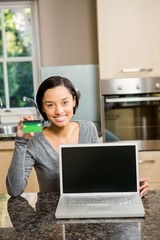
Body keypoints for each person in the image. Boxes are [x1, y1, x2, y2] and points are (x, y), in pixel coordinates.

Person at [6, 76, 149, 197]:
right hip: (50, 217)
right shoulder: (34, 140)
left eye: (65, 102)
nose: (59, 111)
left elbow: (99, 174)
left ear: (74, 101)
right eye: (50, 105)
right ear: (42, 107)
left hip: (89, 206)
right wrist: (21, 141)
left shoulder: (88, 128)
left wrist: (129, 184)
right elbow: (14, 190)